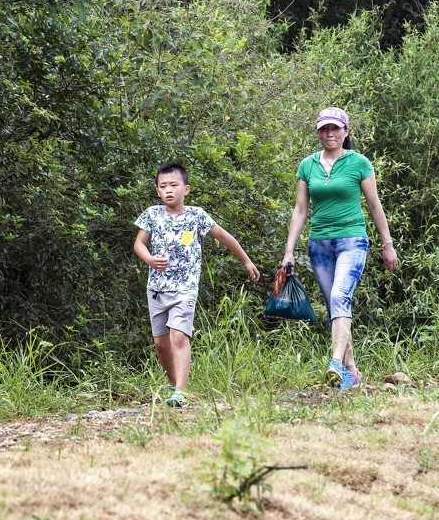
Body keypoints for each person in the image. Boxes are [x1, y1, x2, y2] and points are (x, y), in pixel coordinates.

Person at [280, 107, 397, 390]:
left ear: (345, 132)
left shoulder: (359, 163)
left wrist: (387, 244)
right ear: (318, 133)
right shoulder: (307, 165)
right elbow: (300, 209)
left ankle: (334, 362)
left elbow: (374, 205)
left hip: (352, 240)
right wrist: (289, 250)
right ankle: (351, 371)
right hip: (319, 243)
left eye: (335, 128)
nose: (329, 134)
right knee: (336, 305)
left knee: (339, 295)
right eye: (324, 129)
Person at [134, 162, 261, 407]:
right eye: (163, 186)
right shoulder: (152, 214)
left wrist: (246, 261)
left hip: (185, 287)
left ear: (186, 189)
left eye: (174, 185)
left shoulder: (196, 215)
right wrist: (149, 259)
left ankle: (180, 392)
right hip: (157, 288)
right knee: (160, 343)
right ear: (158, 191)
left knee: (179, 336)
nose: (168, 190)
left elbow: (223, 236)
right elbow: (139, 243)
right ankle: (173, 385)